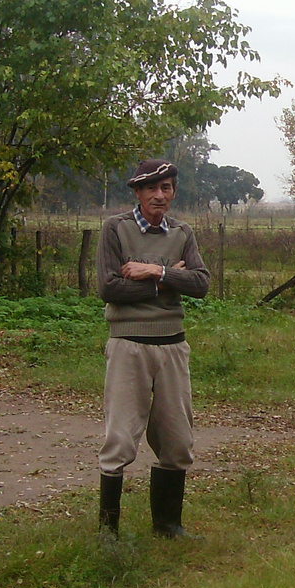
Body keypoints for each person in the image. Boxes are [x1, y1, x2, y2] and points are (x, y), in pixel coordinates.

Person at [97, 158, 211, 540]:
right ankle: (108, 531)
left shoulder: (183, 232)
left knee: (177, 438)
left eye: (166, 188)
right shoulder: (115, 229)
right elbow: (109, 288)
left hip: (173, 347)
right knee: (120, 437)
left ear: (174, 192)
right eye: (151, 189)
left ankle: (167, 525)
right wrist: (168, 282)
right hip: (129, 344)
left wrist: (154, 271)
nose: (159, 196)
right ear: (138, 193)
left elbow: (201, 283)